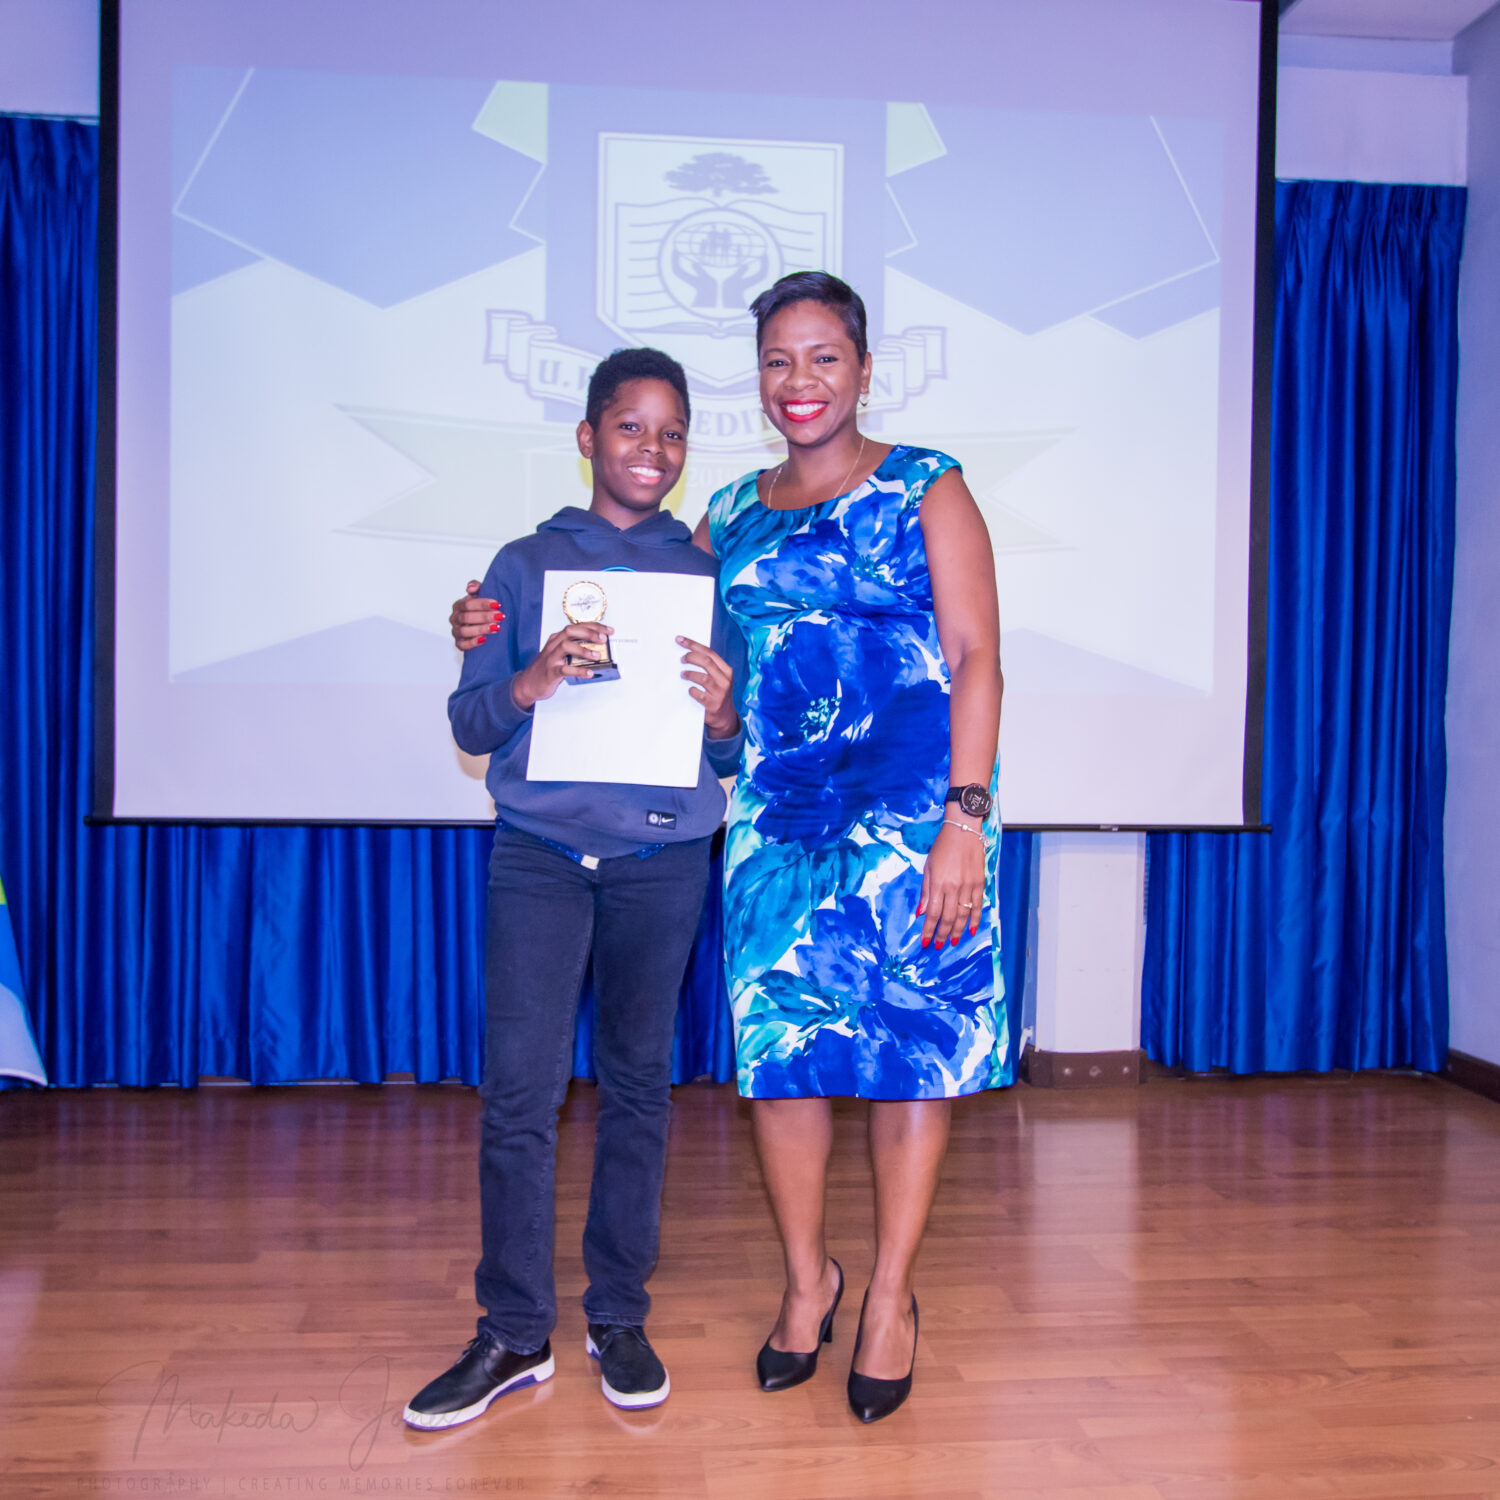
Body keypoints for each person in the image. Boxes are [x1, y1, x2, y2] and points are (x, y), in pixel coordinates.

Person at [448, 273, 1004, 1425]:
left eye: (824, 357)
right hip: (774, 830)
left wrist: (966, 818)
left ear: (863, 369)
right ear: (759, 378)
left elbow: (976, 658)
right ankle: (808, 1286)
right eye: (779, 361)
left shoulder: (928, 486)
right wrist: (493, 621)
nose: (801, 381)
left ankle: (888, 1300)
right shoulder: (734, 514)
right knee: (784, 1066)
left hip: (913, 827)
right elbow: (638, 590)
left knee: (910, 1061)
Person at [405, 348, 742, 1430]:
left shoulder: (710, 578)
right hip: (540, 858)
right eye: (631, 427)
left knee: (640, 1089)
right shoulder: (521, 565)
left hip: (664, 863)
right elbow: (471, 722)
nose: (653, 448)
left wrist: (725, 716)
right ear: (589, 438)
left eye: (672, 432)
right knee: (520, 1096)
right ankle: (513, 1331)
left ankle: (618, 1316)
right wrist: (534, 677)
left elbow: (732, 753)